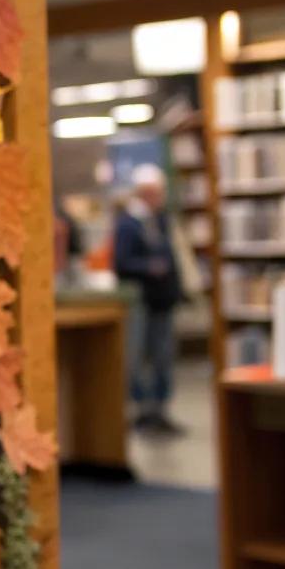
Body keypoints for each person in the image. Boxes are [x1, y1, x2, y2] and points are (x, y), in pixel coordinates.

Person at [113, 163, 184, 433]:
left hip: (163, 300)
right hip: (142, 301)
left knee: (163, 356)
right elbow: (121, 263)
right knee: (138, 357)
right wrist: (149, 267)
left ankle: (160, 410)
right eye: (155, 193)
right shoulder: (129, 224)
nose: (159, 198)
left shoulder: (161, 221)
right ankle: (143, 411)